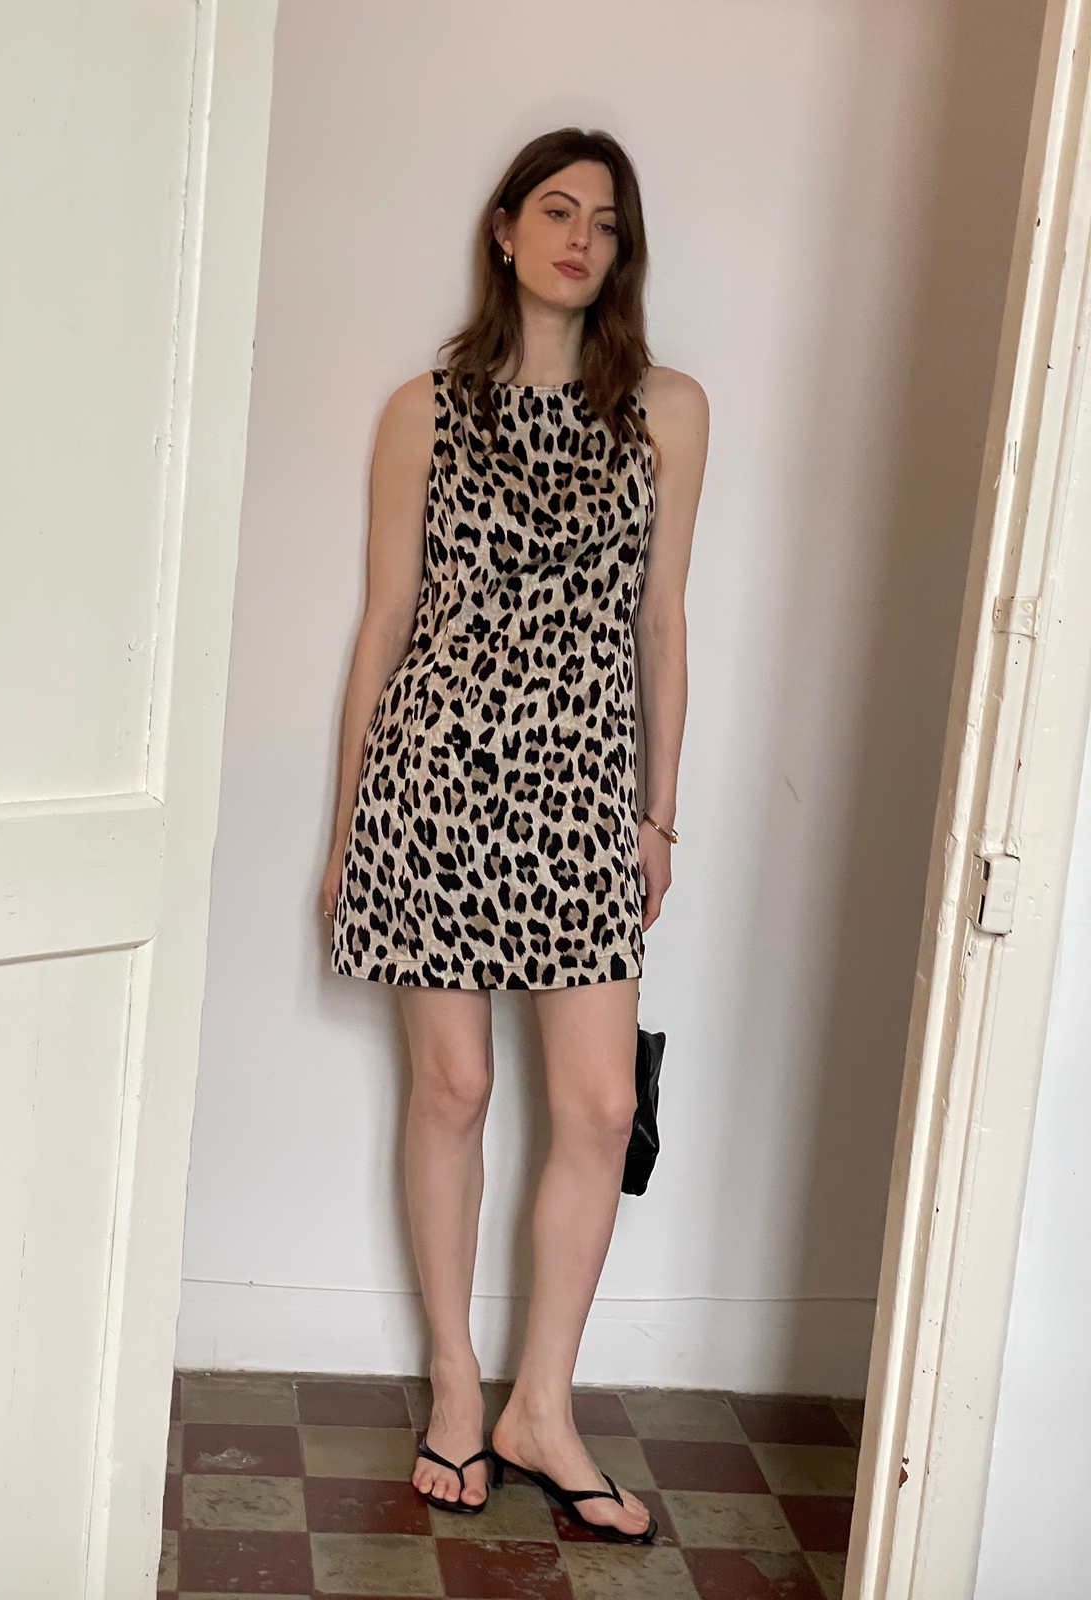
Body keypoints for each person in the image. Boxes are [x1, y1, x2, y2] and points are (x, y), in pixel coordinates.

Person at [321, 127, 708, 1542]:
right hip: (432, 787)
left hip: (583, 796)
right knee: (455, 1089)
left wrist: (659, 813)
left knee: (599, 1106)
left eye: (605, 222)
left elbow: (662, 622)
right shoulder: (423, 411)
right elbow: (386, 624)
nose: (580, 239)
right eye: (557, 210)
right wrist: (347, 832)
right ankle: (454, 1383)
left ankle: (544, 1404)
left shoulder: (667, 410)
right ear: (503, 229)